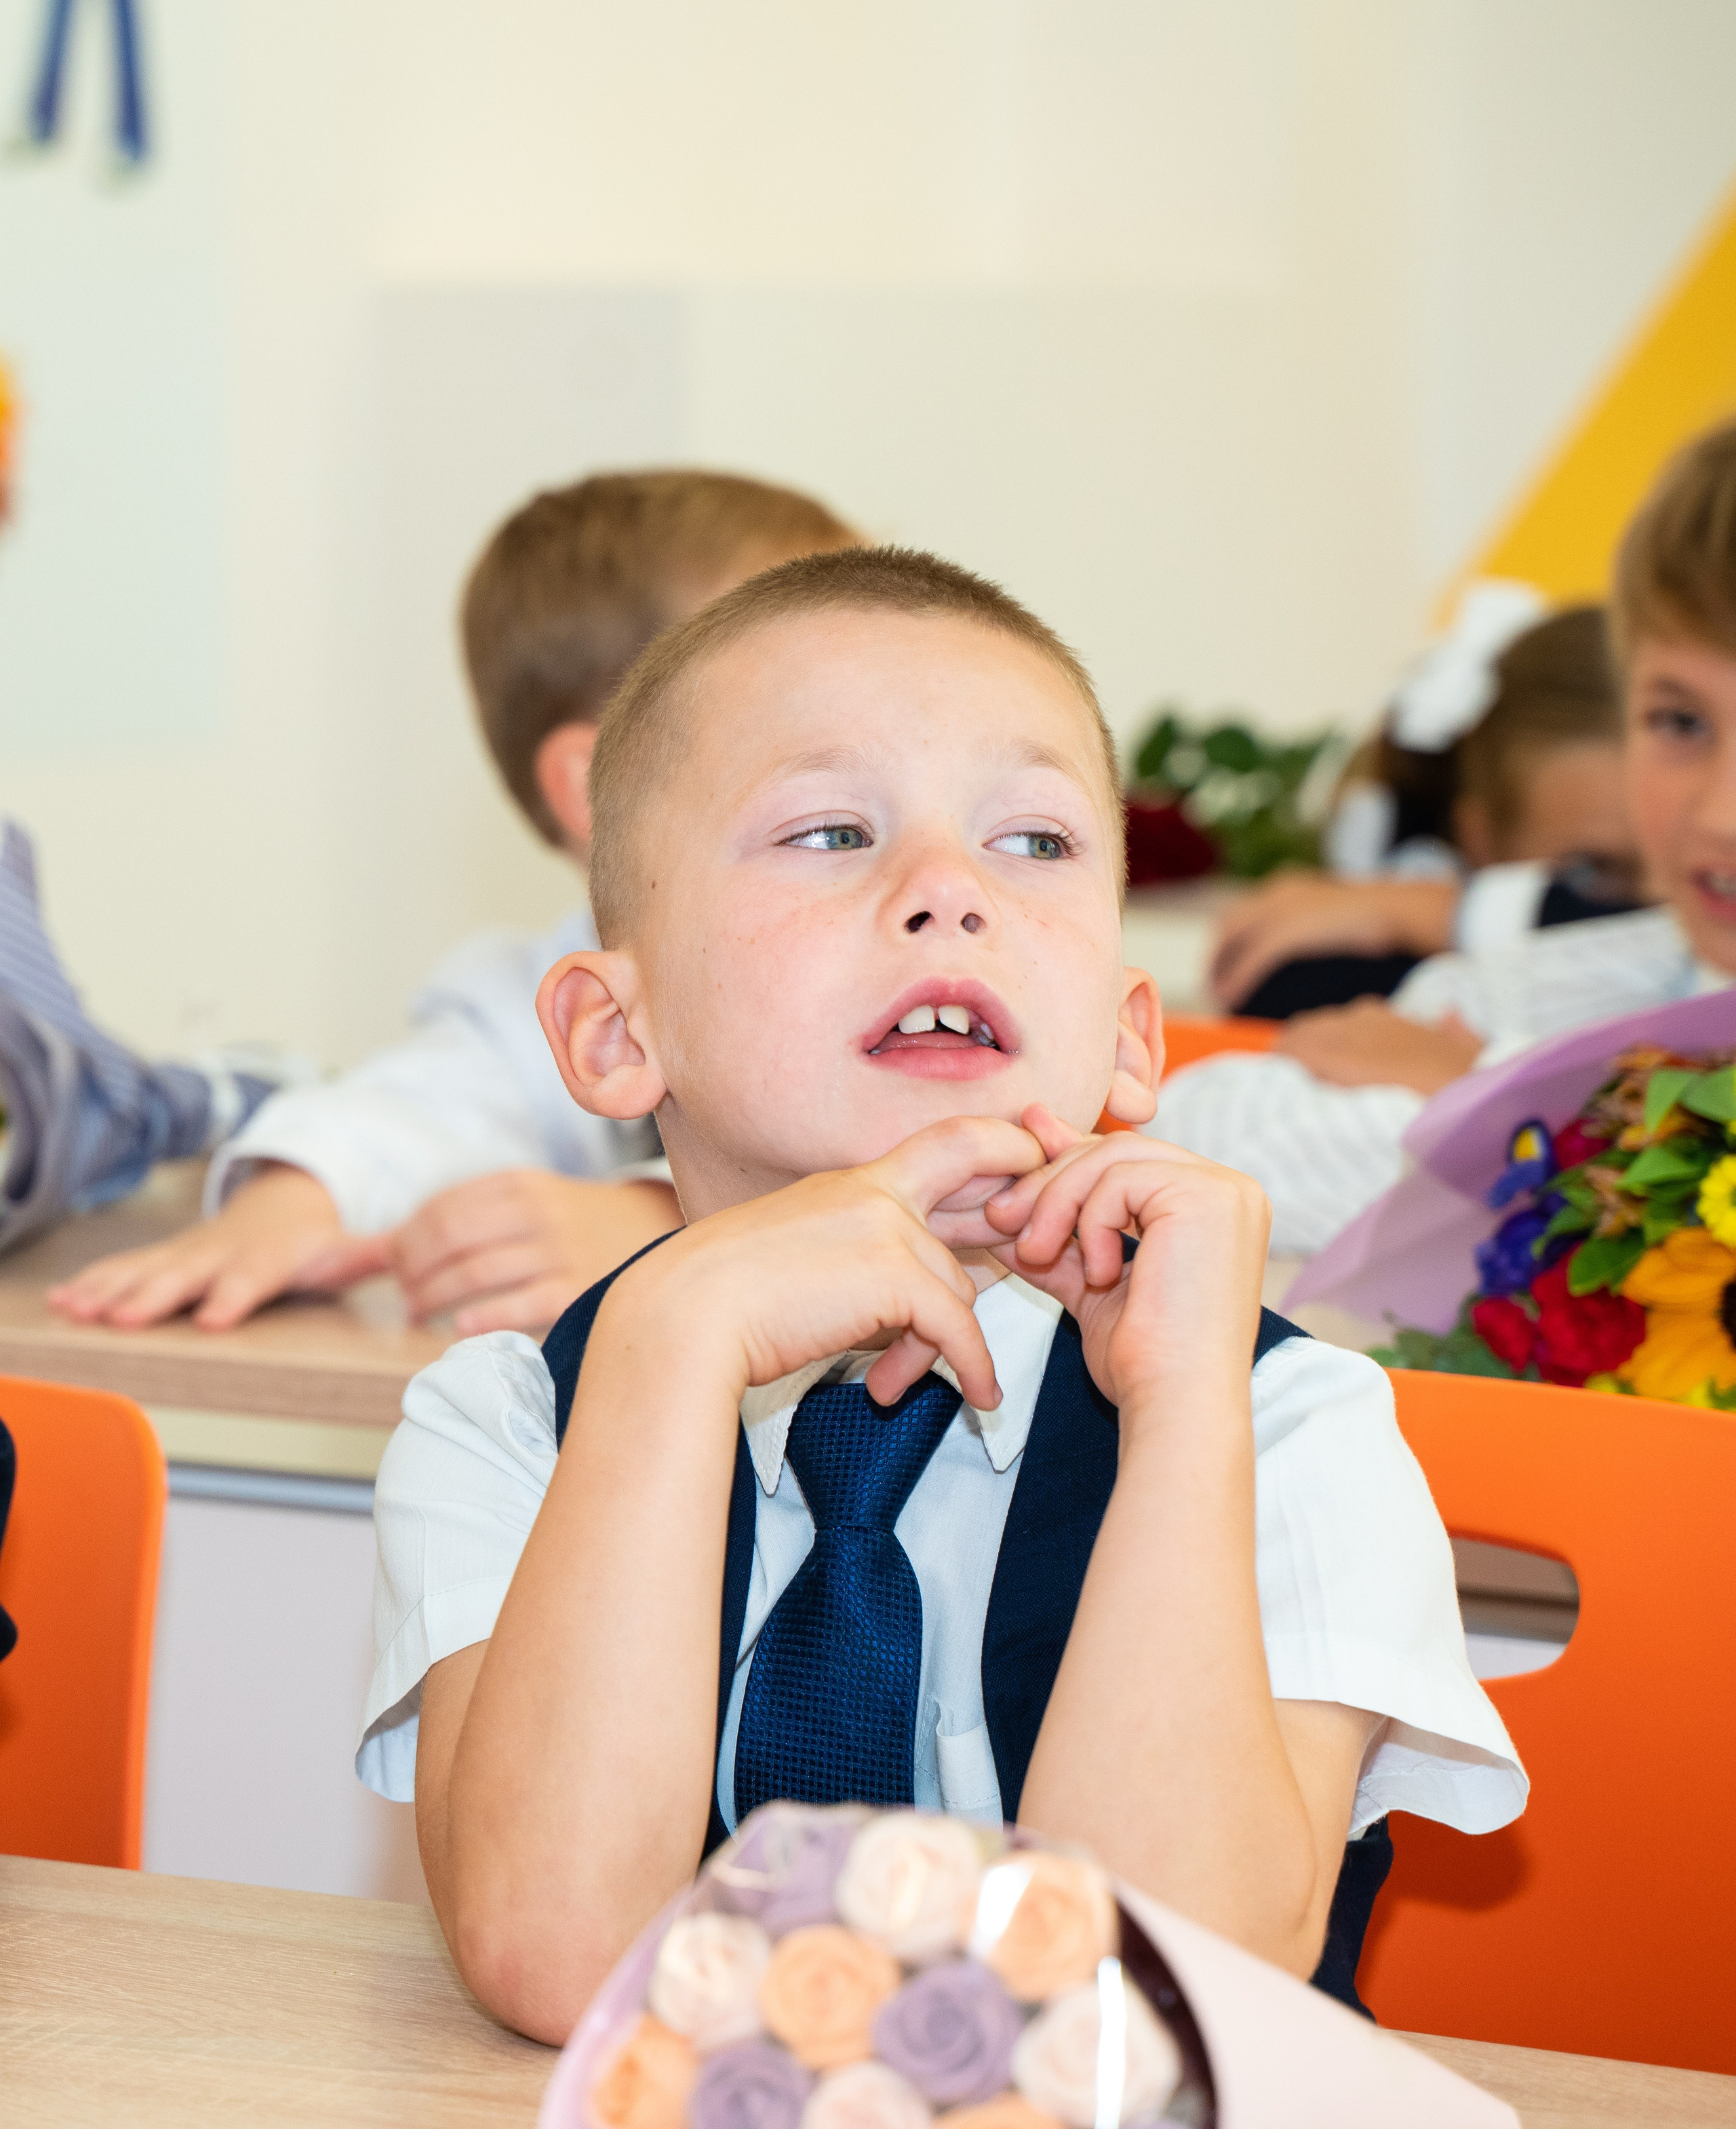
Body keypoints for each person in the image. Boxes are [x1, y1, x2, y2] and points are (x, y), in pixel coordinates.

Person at [356, 545, 1524, 2045]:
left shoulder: (1283, 1422)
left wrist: (1179, 1420)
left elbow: (1157, 1989)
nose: (948, 895)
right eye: (832, 830)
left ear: (1130, 1042)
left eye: (1032, 840)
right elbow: (562, 1957)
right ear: (611, 1035)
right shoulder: (516, 1421)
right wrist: (676, 1338)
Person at [49, 470, 859, 1335]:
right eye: (816, 707)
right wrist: (295, 1199)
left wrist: (662, 1220)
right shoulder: (540, 996)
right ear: (602, 787)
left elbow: (928, 1162)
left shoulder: (925, 963)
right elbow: (415, 1109)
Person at [1159, 416, 1736, 1255]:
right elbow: (1203, 1138)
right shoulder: (1567, 982)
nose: (1720, 813)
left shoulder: (1501, 1043)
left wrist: (1495, 1098)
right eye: (1678, 721)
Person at [1210, 599, 1642, 1017]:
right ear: (1481, 842)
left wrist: (1453, 916)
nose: (1659, 899)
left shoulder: (1433, 915)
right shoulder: (1422, 975)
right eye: (1591, 870)